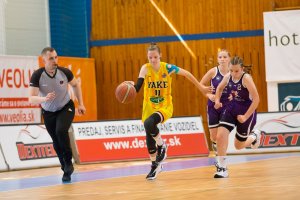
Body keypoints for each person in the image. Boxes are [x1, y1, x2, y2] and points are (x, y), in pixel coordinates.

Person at [130, 43, 210, 180]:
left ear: (160, 55)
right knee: (149, 138)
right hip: (149, 107)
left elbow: (187, 74)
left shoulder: (167, 68)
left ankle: (162, 145)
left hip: (164, 106)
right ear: (147, 57)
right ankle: (155, 165)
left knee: (149, 124)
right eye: (150, 57)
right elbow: (137, 88)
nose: (153, 60)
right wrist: (130, 86)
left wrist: (201, 87)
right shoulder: (145, 68)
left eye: (155, 57)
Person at [29, 47, 86, 182]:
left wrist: (81, 104)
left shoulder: (64, 72)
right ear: (44, 60)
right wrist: (44, 99)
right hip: (48, 111)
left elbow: (76, 85)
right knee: (55, 140)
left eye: (56, 57)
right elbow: (31, 98)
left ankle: (68, 162)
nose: (55, 60)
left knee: (61, 130)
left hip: (65, 107)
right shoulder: (38, 75)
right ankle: (64, 166)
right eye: (51, 58)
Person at [213, 56, 261, 178]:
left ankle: (254, 136)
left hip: (247, 110)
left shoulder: (247, 79)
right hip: (232, 108)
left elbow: (256, 99)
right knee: (220, 136)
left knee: (238, 146)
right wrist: (217, 101)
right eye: (231, 71)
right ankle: (222, 168)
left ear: (242, 69)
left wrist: (245, 116)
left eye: (236, 71)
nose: (234, 74)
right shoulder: (228, 76)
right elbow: (219, 88)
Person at [199, 49, 231, 155]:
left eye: (225, 57)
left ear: (229, 59)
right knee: (214, 136)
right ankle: (215, 143)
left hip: (226, 105)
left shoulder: (233, 72)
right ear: (217, 59)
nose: (222, 59)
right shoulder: (213, 71)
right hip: (213, 105)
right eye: (220, 57)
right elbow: (201, 85)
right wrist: (208, 95)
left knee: (222, 134)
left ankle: (222, 156)